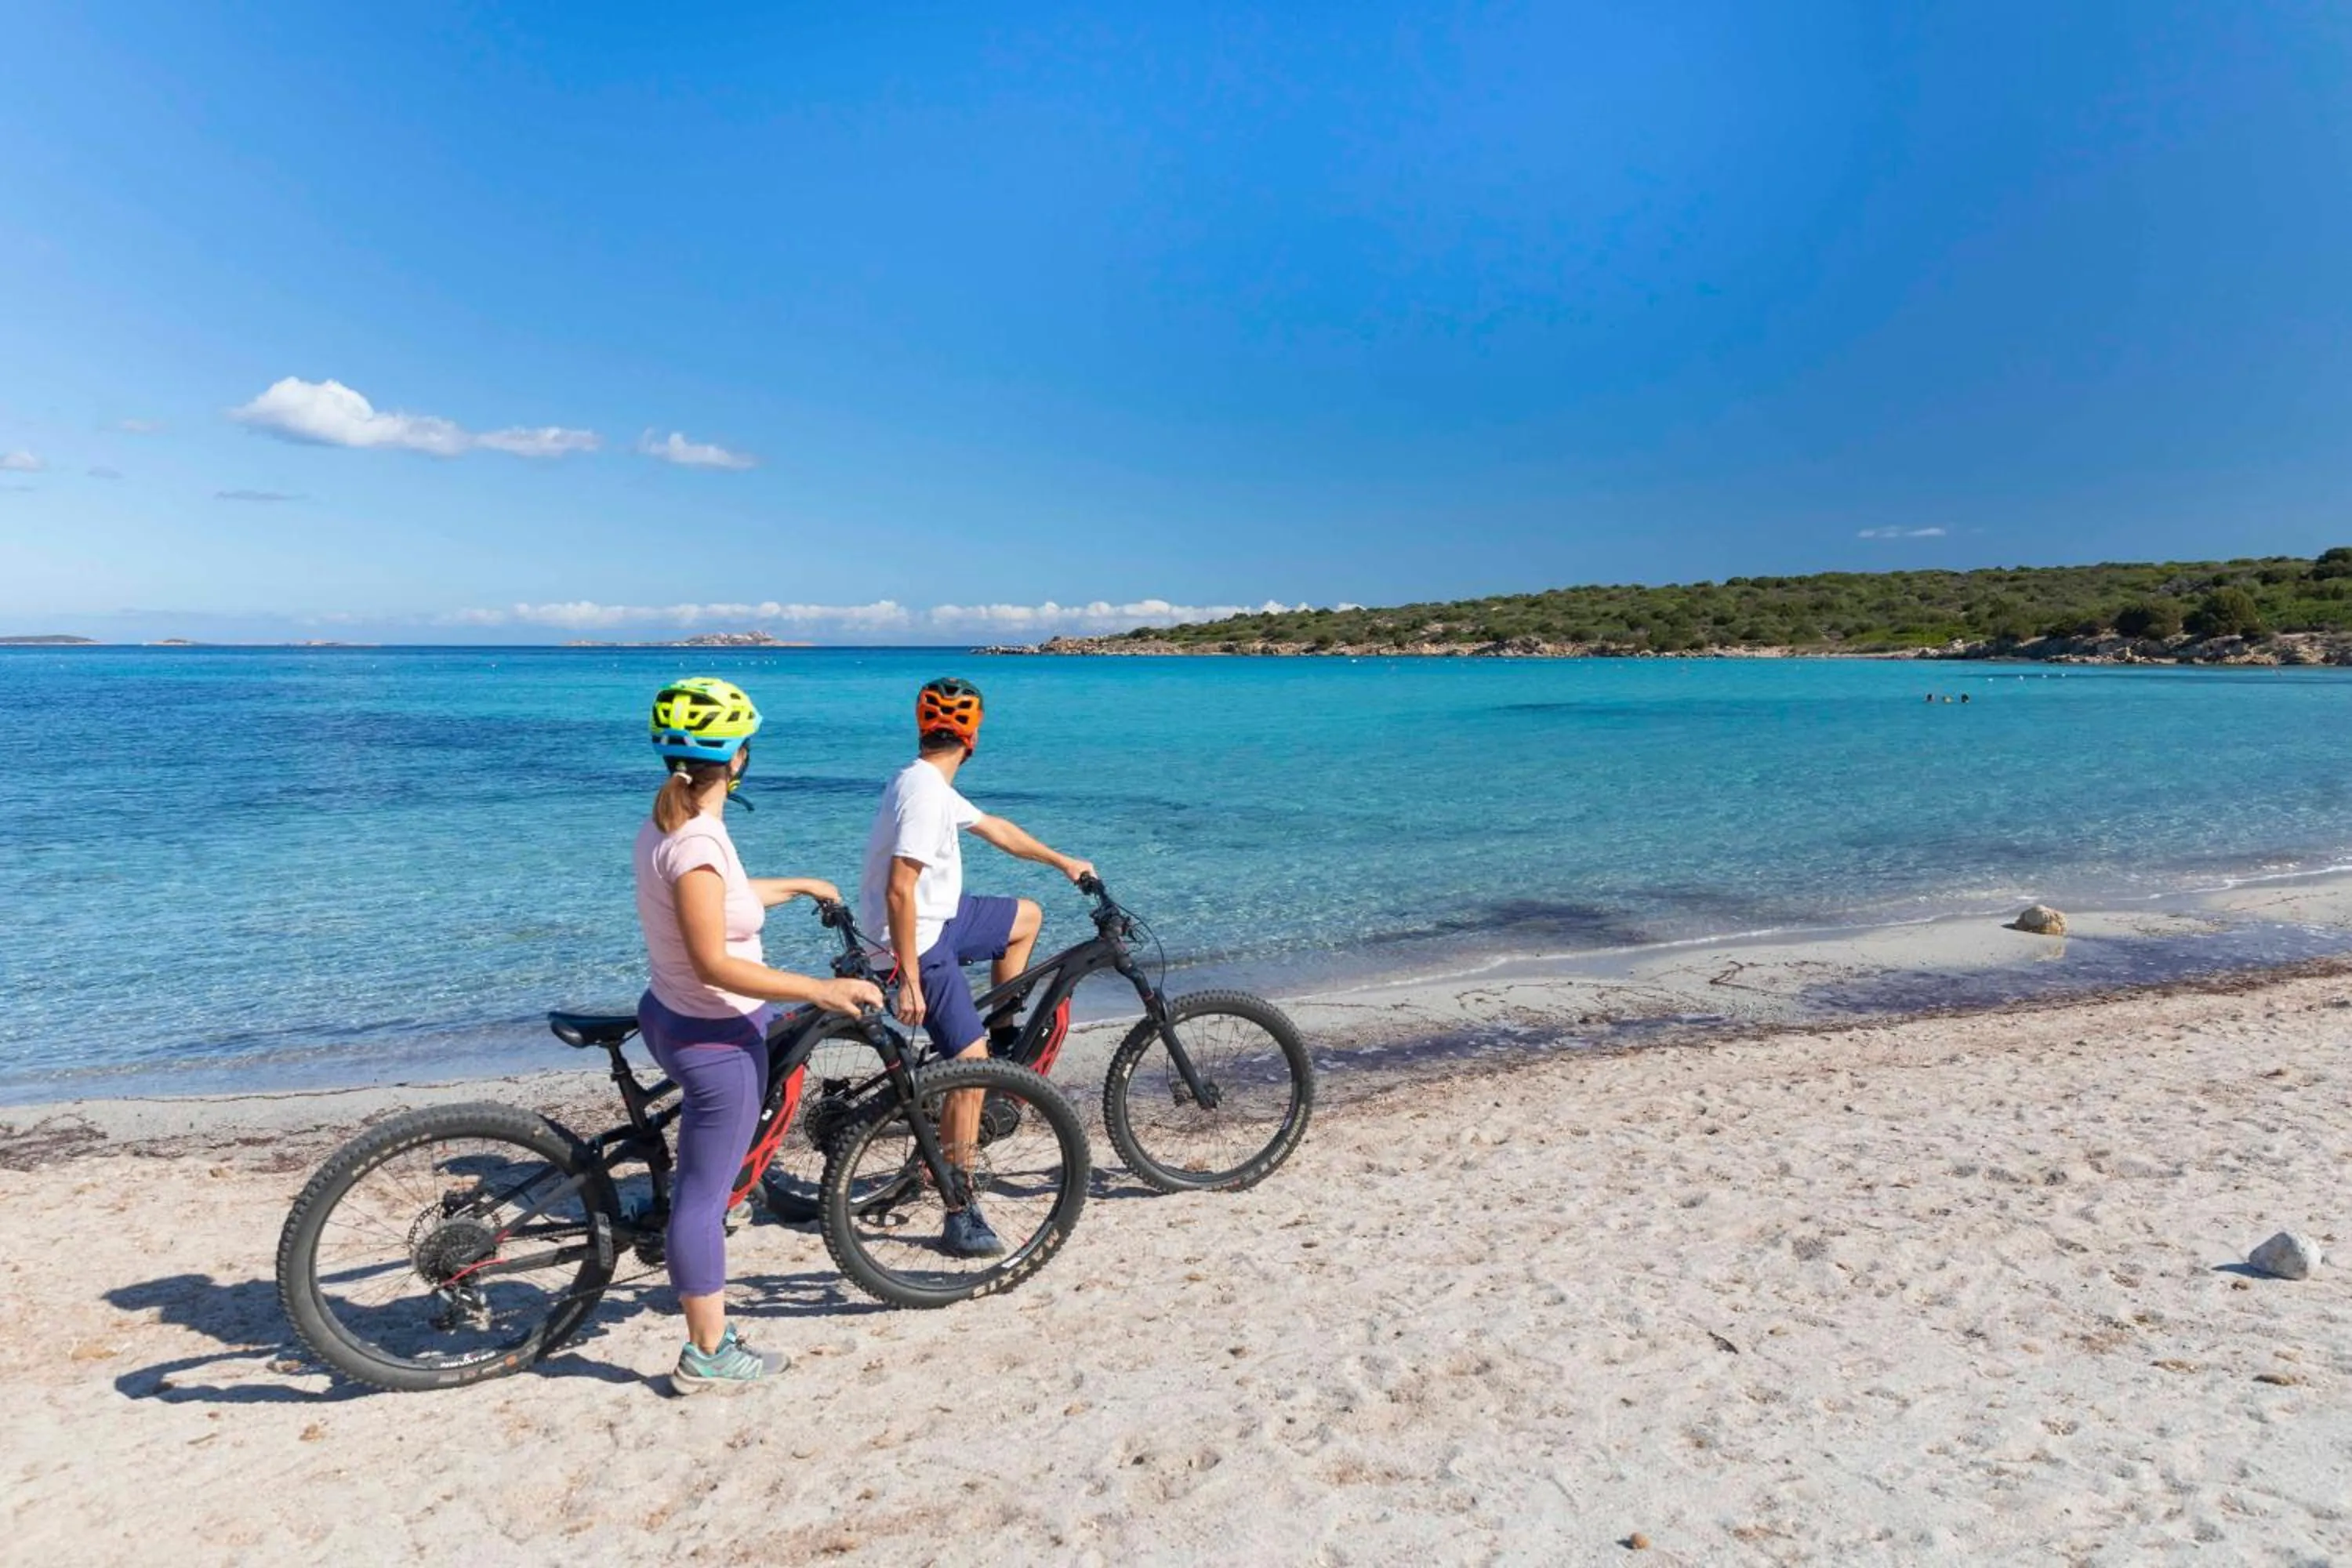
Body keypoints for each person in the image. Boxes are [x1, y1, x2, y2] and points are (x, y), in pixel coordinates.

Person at [636, 677, 882, 1393]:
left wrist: (801, 884)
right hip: (712, 1036)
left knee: (705, 1185)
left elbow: (723, 906)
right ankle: (707, 1354)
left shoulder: (671, 823)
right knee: (703, 1198)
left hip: (672, 1013)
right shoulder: (698, 845)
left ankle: (706, 1284)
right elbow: (716, 958)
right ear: (739, 757)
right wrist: (820, 989)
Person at [858, 677, 1094, 1257]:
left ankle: (1003, 1037)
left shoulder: (926, 782)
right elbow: (898, 891)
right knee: (970, 1067)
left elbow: (997, 831)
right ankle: (959, 1209)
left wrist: (1063, 861)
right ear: (973, 736)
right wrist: (909, 975)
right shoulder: (924, 794)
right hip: (911, 938)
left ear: (923, 729)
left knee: (1026, 918)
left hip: (942, 918)